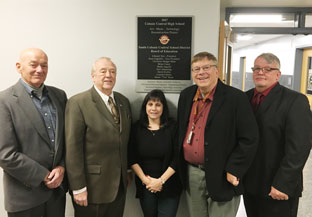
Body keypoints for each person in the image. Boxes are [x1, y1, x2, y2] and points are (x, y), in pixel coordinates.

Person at [176, 51, 259, 217]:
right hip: (192, 172)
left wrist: (234, 169)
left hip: (223, 174)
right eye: (196, 69)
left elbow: (249, 138)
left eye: (206, 67)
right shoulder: (186, 96)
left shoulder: (236, 98)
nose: (201, 73)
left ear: (216, 71)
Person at [0, 48, 67, 217]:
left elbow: (68, 140)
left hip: (56, 195)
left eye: (44, 65)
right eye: (34, 65)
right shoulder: (4, 101)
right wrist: (44, 176)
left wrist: (62, 167)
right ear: (18, 66)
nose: (40, 70)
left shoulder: (59, 96)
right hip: (24, 197)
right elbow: (5, 153)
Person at [243, 53, 312, 217]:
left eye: (268, 69)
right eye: (257, 68)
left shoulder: (295, 101)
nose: (261, 72)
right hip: (250, 184)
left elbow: (299, 147)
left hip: (278, 187)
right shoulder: (244, 98)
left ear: (278, 74)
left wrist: (283, 184)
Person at [65, 57, 132, 217]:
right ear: (93, 76)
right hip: (91, 188)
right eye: (103, 71)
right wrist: (78, 187)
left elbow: (125, 141)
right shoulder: (78, 103)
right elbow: (72, 148)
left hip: (119, 186)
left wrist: (127, 170)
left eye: (112, 71)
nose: (108, 75)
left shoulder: (123, 101)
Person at [128, 89, 181, 217]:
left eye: (158, 104)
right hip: (146, 185)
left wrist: (160, 181)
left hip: (169, 184)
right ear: (145, 106)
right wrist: (147, 181)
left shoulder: (173, 127)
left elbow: (177, 157)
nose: (154, 108)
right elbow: (132, 157)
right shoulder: (136, 128)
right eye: (150, 104)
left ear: (163, 107)